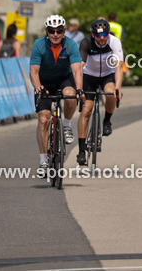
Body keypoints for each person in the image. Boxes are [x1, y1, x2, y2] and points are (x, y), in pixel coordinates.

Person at [29, 14, 83, 178]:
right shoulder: (39, 44)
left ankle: (66, 125)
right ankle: (43, 160)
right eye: (51, 31)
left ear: (64, 31)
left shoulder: (71, 44)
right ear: (46, 31)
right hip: (44, 83)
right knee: (44, 119)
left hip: (63, 80)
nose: (55, 34)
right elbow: (33, 71)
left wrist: (79, 89)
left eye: (59, 31)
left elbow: (76, 70)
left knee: (70, 95)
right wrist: (38, 88)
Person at [76, 18, 124, 166]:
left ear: (109, 33)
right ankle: (82, 151)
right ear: (93, 34)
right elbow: (80, 65)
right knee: (86, 111)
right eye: (98, 36)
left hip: (107, 75)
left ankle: (107, 120)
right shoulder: (86, 43)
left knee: (111, 93)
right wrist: (78, 88)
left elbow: (119, 67)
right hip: (89, 76)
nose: (102, 39)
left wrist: (118, 87)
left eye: (105, 35)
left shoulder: (114, 42)